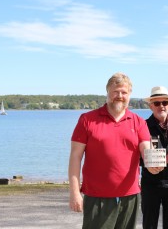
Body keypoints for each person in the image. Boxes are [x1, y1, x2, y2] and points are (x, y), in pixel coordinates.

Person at [68, 72, 161, 229]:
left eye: (124, 92)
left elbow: (146, 148)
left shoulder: (138, 122)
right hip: (97, 197)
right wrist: (74, 192)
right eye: (115, 91)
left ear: (129, 95)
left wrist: (153, 164)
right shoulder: (87, 119)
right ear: (108, 92)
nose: (119, 96)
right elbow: (75, 157)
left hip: (130, 196)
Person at [141, 86, 168, 229]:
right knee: (149, 225)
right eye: (157, 103)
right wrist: (163, 158)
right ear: (151, 106)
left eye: (164, 102)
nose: (161, 106)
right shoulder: (142, 126)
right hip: (150, 185)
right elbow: (137, 158)